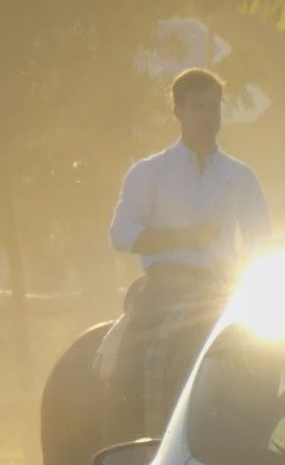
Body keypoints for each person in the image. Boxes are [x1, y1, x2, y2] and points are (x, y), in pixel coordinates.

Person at [106, 67, 272, 431]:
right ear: (177, 112)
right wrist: (183, 238)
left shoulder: (240, 176)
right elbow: (120, 234)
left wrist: (239, 272)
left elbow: (260, 238)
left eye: (214, 108)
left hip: (219, 288)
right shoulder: (149, 172)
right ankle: (131, 436)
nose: (209, 118)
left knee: (270, 363)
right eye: (198, 108)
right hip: (163, 288)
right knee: (131, 361)